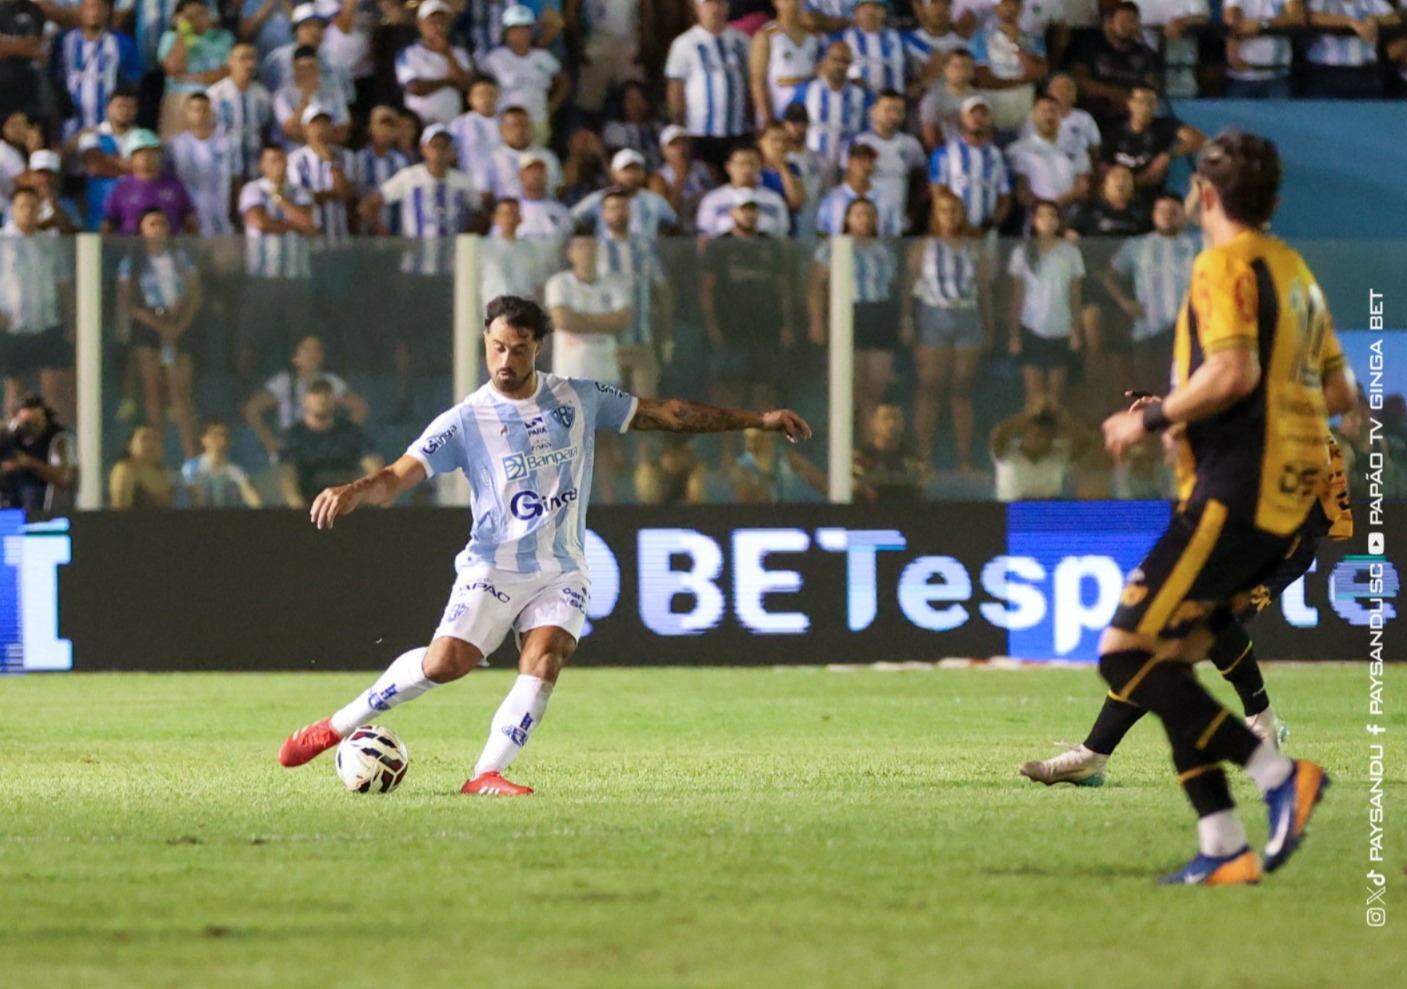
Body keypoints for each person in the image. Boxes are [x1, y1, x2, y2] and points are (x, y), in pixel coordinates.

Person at [275, 294, 813, 795]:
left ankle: (486, 773)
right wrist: (355, 490)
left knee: (547, 654)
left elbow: (671, 413)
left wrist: (759, 420)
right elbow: (397, 476)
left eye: (518, 348)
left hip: (562, 566)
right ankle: (337, 726)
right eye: (496, 347)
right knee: (446, 664)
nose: (505, 360)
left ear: (539, 346)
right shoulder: (466, 420)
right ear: (485, 342)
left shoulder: (579, 398)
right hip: (494, 565)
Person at [1091, 131, 1357, 885]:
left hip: (1234, 491)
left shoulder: (1220, 265)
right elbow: (1340, 393)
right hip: (1286, 500)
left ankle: (1279, 776)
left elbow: (1233, 371)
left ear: (1204, 195)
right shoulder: (1295, 273)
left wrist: (1152, 417)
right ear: (1273, 200)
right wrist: (1208, 413)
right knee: (1174, 652)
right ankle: (1222, 844)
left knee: (1124, 652)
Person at [1021, 431, 1352, 784]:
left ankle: (1258, 720)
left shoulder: (1273, 409)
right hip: (1228, 522)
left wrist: (1158, 417)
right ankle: (1093, 756)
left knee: (1199, 622)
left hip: (1280, 533)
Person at [905, 188, 989, 471]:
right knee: (930, 386)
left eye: (955, 211)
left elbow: (983, 289)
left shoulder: (974, 247)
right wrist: (907, 320)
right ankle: (923, 458)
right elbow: (909, 287)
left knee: (962, 389)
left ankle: (964, 460)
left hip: (967, 314)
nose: (949, 216)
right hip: (934, 315)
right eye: (943, 211)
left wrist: (988, 324)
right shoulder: (923, 247)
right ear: (935, 215)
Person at [116, 207, 203, 459]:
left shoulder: (181, 258)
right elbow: (129, 302)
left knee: (180, 393)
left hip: (180, 323)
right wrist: (159, 326)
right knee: (153, 393)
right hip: (148, 326)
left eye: (162, 223)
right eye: (152, 224)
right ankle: (158, 459)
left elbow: (195, 295)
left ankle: (192, 458)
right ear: (142, 230)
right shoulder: (131, 263)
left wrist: (178, 326)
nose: (158, 229)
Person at [701, 192, 795, 422]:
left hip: (766, 327)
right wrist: (712, 327)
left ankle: (763, 443)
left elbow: (783, 287)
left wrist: (787, 325)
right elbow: (707, 289)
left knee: (765, 390)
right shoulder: (719, 246)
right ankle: (728, 445)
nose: (748, 215)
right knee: (729, 391)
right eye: (743, 209)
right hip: (730, 326)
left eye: (753, 209)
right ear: (733, 213)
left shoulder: (771, 245)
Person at [810, 197, 900, 429]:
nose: (865, 219)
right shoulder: (831, 247)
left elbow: (892, 285)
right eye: (859, 214)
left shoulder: (884, 250)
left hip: (879, 313)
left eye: (870, 214)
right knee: (849, 387)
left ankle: (869, 443)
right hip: (848, 314)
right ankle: (845, 443)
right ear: (848, 218)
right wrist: (817, 322)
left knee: (876, 386)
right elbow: (817, 287)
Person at [236, 144, 319, 385]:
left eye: (282, 160)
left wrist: (281, 200)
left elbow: (309, 225)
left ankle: (304, 390)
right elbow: (260, 223)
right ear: (262, 165)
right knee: (253, 337)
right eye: (272, 160)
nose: (279, 166)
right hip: (262, 278)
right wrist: (294, 226)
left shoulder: (300, 191)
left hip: (295, 278)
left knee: (300, 339)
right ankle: (245, 391)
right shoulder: (252, 189)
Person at [1102, 192, 1198, 397]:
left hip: (1186, 329)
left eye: (1173, 211)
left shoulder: (1196, 244)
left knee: (1184, 389)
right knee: (1150, 390)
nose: (1167, 215)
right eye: (1162, 211)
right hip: (1148, 329)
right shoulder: (1137, 245)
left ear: (1182, 214)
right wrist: (1125, 303)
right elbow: (1109, 276)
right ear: (1153, 214)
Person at [0, 188, 74, 422]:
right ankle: (13, 441)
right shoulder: (2, 242)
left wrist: (70, 320)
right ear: (12, 210)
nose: (28, 211)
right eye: (23, 206)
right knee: (15, 392)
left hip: (48, 324)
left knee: (55, 391)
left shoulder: (50, 242)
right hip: (12, 327)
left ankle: (55, 440)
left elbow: (64, 284)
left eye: (33, 206)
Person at [1007, 200, 1083, 411]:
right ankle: (1031, 433)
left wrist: (1075, 331)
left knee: (1055, 398)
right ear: (1033, 220)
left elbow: (1075, 296)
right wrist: (1014, 335)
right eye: (1042, 216)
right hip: (1031, 328)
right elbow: (1017, 296)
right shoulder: (1022, 252)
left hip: (1060, 329)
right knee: (1034, 396)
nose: (1048, 221)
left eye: (1053, 216)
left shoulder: (1071, 253)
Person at [596, 188, 672, 398]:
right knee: (607, 407)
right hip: (606, 343)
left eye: (622, 207)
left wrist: (667, 334)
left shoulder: (645, 246)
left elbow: (662, 289)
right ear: (603, 214)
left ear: (630, 211)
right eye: (612, 208)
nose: (618, 213)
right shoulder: (595, 248)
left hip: (642, 338)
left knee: (646, 406)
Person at [244, 334, 367, 462]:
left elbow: (359, 407)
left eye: (317, 350)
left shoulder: (332, 382)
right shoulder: (283, 382)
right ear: (295, 358)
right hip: (292, 445)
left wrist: (342, 438)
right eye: (307, 350)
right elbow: (252, 409)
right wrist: (269, 440)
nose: (313, 354)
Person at [665, 0, 753, 173]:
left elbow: (751, 82)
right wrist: (679, 127)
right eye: (708, 3)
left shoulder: (742, 41)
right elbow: (676, 89)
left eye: (720, 3)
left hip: (739, 131)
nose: (715, 9)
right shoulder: (684, 44)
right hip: (700, 133)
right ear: (697, 7)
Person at [279, 378, 381, 507]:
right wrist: (301, 511)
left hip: (347, 507)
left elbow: (373, 467)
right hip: (307, 506)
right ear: (305, 401)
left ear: (334, 401)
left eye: (326, 394)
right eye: (316, 394)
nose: (322, 399)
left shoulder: (350, 432)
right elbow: (287, 478)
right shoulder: (294, 436)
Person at [1100, 84, 1204, 208]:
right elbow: (1103, 167)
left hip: (1152, 198)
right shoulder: (1114, 130)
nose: (1145, 107)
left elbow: (1198, 139)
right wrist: (1131, 182)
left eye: (1150, 102)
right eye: (1140, 101)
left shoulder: (1163, 126)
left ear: (1156, 105)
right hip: (1119, 192)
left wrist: (1168, 155)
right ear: (1130, 103)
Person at [479, 4, 568, 145]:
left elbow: (563, 82)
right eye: (515, 29)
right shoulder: (495, 58)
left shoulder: (543, 57)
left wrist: (551, 107)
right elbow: (480, 85)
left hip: (537, 121)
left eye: (525, 28)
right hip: (506, 123)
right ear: (506, 32)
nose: (521, 33)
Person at [54, 0, 140, 142]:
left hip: (109, 126)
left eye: (99, 7)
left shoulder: (122, 42)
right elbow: (56, 79)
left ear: (107, 11)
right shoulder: (64, 41)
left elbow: (132, 81)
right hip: (71, 124)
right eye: (89, 7)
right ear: (80, 10)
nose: (94, 12)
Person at [1066, 3, 1158, 131]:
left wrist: (1132, 100)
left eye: (1133, 21)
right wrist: (1114, 94)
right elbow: (1080, 81)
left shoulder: (1145, 54)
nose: (1129, 26)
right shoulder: (1088, 44)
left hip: (1130, 117)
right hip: (1093, 113)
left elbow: (1151, 86)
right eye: (1124, 21)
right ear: (1110, 23)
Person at [928, 94, 1010, 235]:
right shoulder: (944, 153)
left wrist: (990, 224)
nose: (978, 118)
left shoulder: (998, 156)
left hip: (986, 233)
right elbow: (938, 192)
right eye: (973, 113)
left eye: (983, 114)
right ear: (963, 117)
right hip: (953, 232)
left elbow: (1005, 196)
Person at [846, 89, 926, 233]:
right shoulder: (860, 143)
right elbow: (848, 182)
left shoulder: (911, 145)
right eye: (887, 110)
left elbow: (920, 183)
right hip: (866, 225)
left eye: (898, 111)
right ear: (874, 111)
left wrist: (912, 213)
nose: (892, 115)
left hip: (899, 224)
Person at [789, 40, 871, 177]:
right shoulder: (806, 90)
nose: (840, 66)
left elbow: (867, 132)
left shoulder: (861, 95)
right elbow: (789, 124)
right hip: (811, 165)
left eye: (845, 61)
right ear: (825, 61)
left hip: (846, 169)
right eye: (835, 60)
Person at [157, 0, 234, 139]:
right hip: (179, 96)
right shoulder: (170, 38)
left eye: (200, 14)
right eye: (189, 16)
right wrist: (184, 35)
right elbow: (173, 69)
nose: (195, 20)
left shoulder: (224, 38)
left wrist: (189, 78)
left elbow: (226, 72)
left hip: (215, 94)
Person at [1006, 95, 1092, 219]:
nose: (1049, 116)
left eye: (1053, 111)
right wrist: (1047, 210)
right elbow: (1022, 190)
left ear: (1060, 116)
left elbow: (1082, 184)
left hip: (1071, 214)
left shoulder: (1076, 147)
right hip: (1035, 215)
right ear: (1033, 115)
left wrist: (1057, 205)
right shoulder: (1018, 150)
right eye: (1043, 111)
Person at [970, 0, 1046, 137]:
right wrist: (1020, 81)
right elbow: (984, 79)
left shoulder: (1035, 38)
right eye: (1005, 3)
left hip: (1024, 111)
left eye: (1015, 3)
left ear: (1021, 8)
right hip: (993, 111)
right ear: (996, 7)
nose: (1011, 8)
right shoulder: (980, 38)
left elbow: (1038, 73)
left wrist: (1015, 44)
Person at [100, 129, 199, 235]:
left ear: (159, 154)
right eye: (140, 153)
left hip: (169, 245)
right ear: (131, 157)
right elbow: (108, 224)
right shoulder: (122, 188)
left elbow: (190, 221)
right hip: (131, 245)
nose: (146, 157)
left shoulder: (175, 185)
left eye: (151, 152)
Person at [570, 149, 678, 240]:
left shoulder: (655, 200)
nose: (632, 175)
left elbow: (673, 224)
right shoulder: (599, 198)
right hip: (608, 255)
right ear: (614, 173)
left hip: (645, 256)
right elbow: (571, 220)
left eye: (636, 169)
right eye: (626, 170)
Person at [989, 401, 1089, 500]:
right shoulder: (1007, 451)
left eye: (1047, 436)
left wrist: (1060, 415)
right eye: (1037, 434)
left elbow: (1084, 440)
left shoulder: (1059, 453)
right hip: (1011, 507)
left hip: (1047, 507)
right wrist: (1028, 414)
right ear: (1024, 432)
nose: (1042, 440)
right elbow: (998, 436)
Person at [395, 0, 474, 126]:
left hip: (452, 122)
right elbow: (413, 87)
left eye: (443, 22)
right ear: (420, 24)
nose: (439, 27)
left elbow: (466, 84)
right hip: (419, 123)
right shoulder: (408, 54)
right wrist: (447, 81)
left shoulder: (459, 53)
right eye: (433, 22)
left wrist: (447, 54)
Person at [167, 92, 235, 235]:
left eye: (204, 110)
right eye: (194, 110)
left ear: (211, 113)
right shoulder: (175, 145)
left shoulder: (225, 143)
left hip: (220, 214)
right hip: (189, 216)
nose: (200, 114)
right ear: (187, 113)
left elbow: (235, 178)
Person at [287, 104, 357, 242]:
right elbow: (301, 198)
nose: (320, 128)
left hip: (338, 232)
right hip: (307, 235)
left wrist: (330, 161)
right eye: (315, 124)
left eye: (325, 123)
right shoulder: (294, 160)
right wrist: (333, 194)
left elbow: (346, 193)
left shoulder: (346, 156)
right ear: (305, 129)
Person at [570, 0, 648, 123]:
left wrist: (645, 43)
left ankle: (635, 132)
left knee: (633, 97)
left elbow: (646, 11)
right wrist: (577, 47)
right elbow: (572, 11)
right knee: (590, 105)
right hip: (596, 45)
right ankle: (592, 132)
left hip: (629, 45)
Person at [207, 42, 274, 183]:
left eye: (252, 58)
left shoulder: (263, 96)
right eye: (243, 58)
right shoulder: (215, 94)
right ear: (230, 61)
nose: (248, 64)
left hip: (254, 163)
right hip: (223, 162)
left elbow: (265, 129)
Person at [749, 0, 823, 127]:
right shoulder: (766, 36)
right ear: (776, 2)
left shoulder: (814, 37)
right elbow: (757, 81)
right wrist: (768, 118)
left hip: (807, 113)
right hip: (778, 110)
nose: (792, 3)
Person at [1304, 0, 1398, 99]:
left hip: (1365, 72)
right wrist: (1351, 22)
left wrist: (1375, 19)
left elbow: (1394, 18)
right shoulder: (1321, 2)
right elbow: (1311, 17)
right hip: (1325, 71)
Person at [0, 393, 74, 517]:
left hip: (43, 503)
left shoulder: (57, 439)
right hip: (12, 500)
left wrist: (30, 463)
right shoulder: (12, 437)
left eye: (36, 423)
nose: (31, 428)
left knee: (31, 493)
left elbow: (64, 479)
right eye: (26, 423)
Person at [695, 143, 791, 238]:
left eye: (751, 164)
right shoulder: (713, 200)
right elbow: (705, 236)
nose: (747, 169)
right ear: (728, 167)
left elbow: (782, 234)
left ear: (760, 166)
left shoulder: (774, 200)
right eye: (741, 164)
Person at [76, 85, 138, 231]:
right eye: (120, 106)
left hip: (133, 214)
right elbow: (95, 167)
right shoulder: (92, 135)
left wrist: (109, 160)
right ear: (108, 108)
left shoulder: (143, 137)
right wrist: (131, 166)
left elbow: (149, 168)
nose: (124, 111)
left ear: (136, 110)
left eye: (130, 107)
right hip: (99, 212)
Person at [815, 141, 902, 237]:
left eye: (869, 161)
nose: (864, 165)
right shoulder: (831, 198)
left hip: (875, 246)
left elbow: (894, 234)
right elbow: (822, 231)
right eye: (859, 160)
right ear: (849, 162)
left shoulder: (886, 198)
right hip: (840, 246)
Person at [273, 46, 352, 149]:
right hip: (296, 151)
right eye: (302, 69)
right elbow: (290, 131)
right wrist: (305, 97)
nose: (307, 72)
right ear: (294, 70)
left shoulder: (333, 90)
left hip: (330, 150)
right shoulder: (282, 95)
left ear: (318, 68)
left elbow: (343, 130)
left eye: (311, 67)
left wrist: (317, 142)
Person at [853, 401, 930, 503]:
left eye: (896, 418)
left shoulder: (913, 458)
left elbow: (921, 492)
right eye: (885, 418)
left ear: (903, 424)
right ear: (874, 423)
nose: (892, 424)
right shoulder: (861, 456)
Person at [483, 105, 564, 199]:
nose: (519, 130)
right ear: (502, 130)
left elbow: (558, 191)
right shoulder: (492, 159)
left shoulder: (548, 157)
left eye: (524, 125)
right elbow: (485, 195)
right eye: (513, 126)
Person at [646, 124, 716, 234]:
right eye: (673, 145)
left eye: (683, 142)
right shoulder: (659, 178)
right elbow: (663, 218)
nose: (680, 148)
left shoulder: (706, 170)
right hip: (679, 235)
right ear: (664, 151)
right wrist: (680, 180)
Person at [731, 424, 826, 502]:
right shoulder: (742, 467)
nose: (750, 446)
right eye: (747, 439)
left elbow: (817, 479)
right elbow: (744, 503)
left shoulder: (786, 457)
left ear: (769, 439)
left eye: (757, 440)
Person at [182, 418, 261, 507]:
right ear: (203, 439)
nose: (220, 440)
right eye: (215, 435)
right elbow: (193, 496)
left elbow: (250, 494)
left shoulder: (234, 470)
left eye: (223, 436)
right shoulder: (191, 467)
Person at [831, 0, 906, 94]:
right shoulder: (840, 39)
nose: (870, 11)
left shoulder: (899, 38)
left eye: (876, 7)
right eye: (865, 6)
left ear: (885, 13)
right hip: (854, 99)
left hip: (894, 99)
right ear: (855, 11)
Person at [448, 76, 503, 199]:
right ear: (470, 99)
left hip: (501, 186)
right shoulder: (459, 124)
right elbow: (451, 155)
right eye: (481, 94)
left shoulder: (505, 123)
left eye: (491, 94)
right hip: (471, 184)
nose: (486, 99)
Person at [918, 47, 976, 152]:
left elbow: (987, 132)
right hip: (945, 153)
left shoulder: (979, 98)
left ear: (972, 71)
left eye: (966, 66)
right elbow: (930, 137)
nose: (960, 71)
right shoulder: (933, 99)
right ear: (945, 69)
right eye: (956, 66)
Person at [600, 81, 664, 172]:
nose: (635, 104)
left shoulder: (658, 127)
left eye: (639, 98)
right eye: (630, 100)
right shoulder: (614, 129)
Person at [108, 425, 175, 509]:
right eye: (145, 438)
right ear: (130, 445)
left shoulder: (165, 473)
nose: (150, 444)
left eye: (155, 439)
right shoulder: (125, 470)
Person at [514, 152, 573, 242]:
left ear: (546, 176)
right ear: (521, 176)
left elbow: (568, 239)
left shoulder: (560, 211)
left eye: (540, 172)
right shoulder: (512, 210)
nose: (535, 176)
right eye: (530, 171)